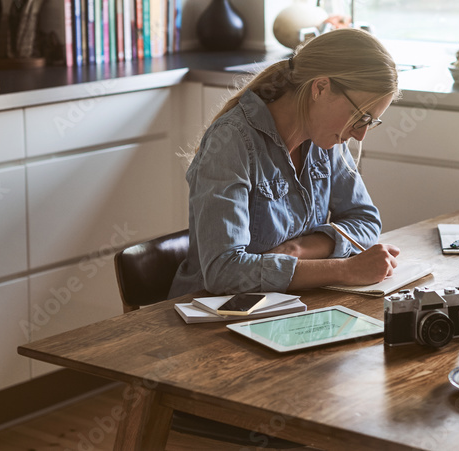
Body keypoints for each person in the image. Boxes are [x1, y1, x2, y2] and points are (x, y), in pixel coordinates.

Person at [169, 28, 401, 297]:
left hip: (284, 308)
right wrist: (345, 270)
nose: (360, 134)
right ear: (321, 88)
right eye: (360, 116)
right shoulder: (231, 142)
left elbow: (365, 220)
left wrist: (299, 249)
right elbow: (223, 271)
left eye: (370, 122)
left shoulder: (325, 137)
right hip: (212, 316)